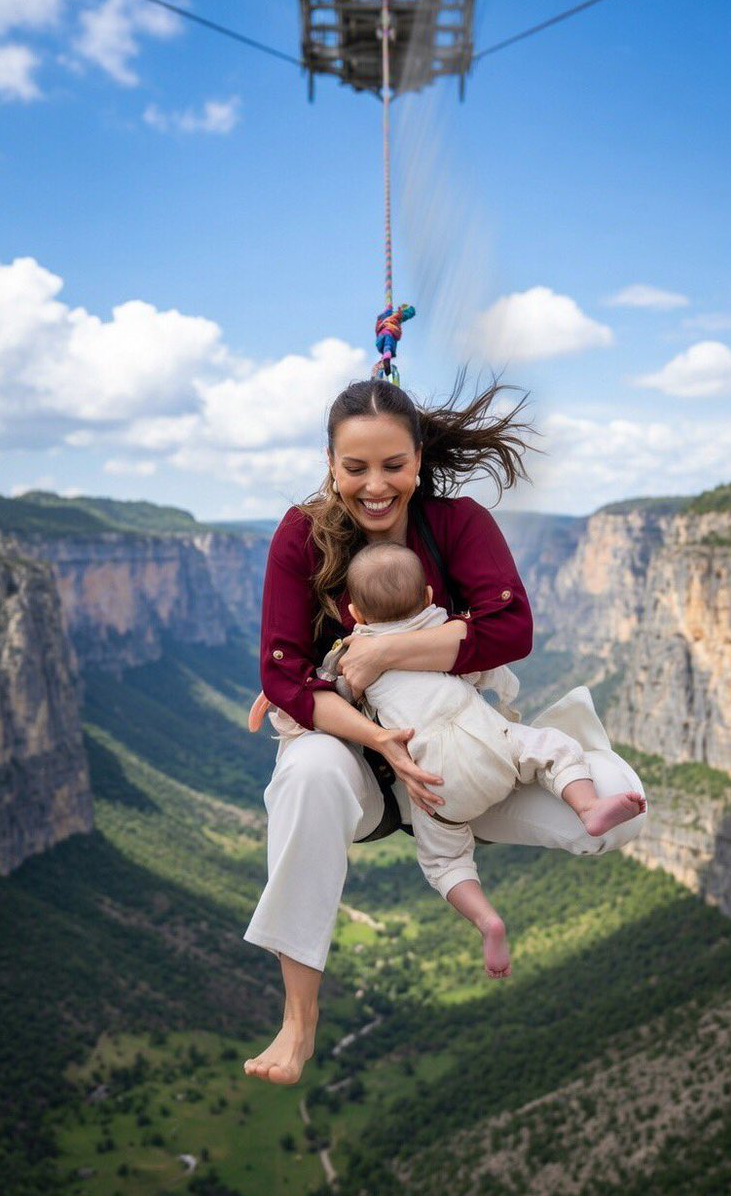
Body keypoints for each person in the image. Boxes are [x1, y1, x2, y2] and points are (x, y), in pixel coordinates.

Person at [243, 377, 647, 1085]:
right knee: (305, 774)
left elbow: (512, 627)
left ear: (419, 458)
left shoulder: (456, 523)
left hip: (462, 759)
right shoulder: (302, 535)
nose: (375, 485)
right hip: (361, 763)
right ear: (331, 464)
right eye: (356, 467)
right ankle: (299, 1015)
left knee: (616, 812)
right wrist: (378, 740)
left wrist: (385, 650)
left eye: (392, 465)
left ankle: (491, 808)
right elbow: (283, 673)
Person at [342, 541, 646, 980]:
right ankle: (588, 806)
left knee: (445, 862)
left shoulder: (353, 654)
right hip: (494, 747)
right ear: (428, 597)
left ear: (356, 615)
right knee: (554, 747)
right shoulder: (441, 628)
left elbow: (334, 700)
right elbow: (487, 666)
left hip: (434, 784)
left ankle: (486, 919)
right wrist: (506, 699)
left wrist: (287, 705)